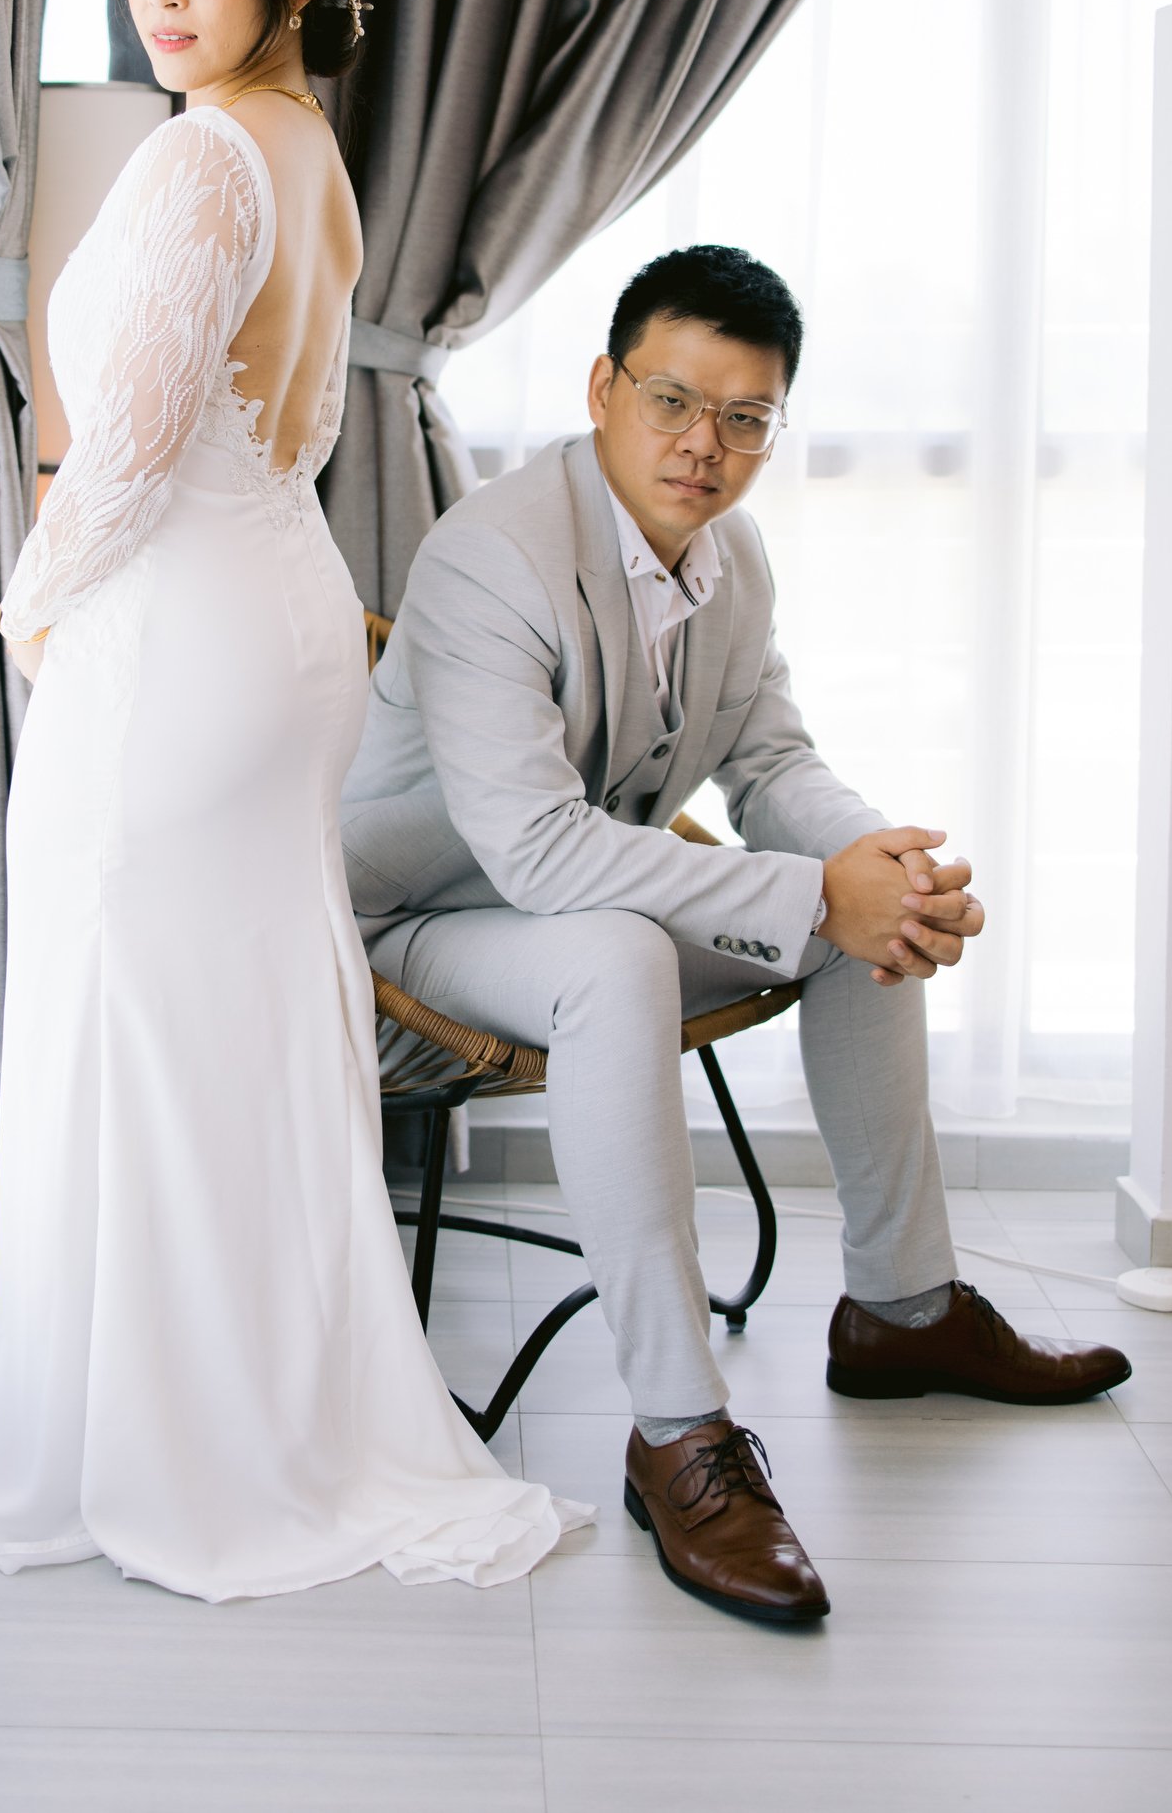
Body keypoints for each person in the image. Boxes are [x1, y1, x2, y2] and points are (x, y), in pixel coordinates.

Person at [0, 0, 588, 1600]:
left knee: (139, 1022)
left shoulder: (199, 163)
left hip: (179, 637)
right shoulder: (309, 153)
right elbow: (270, 430)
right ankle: (252, 1415)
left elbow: (132, 450)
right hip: (282, 610)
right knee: (230, 1030)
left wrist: (28, 607)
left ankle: (170, 1448)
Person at [342, 245, 1130, 1626]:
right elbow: (533, 849)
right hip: (420, 919)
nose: (703, 445)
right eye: (672, 400)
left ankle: (900, 1312)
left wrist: (882, 868)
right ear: (603, 389)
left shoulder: (734, 556)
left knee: (861, 922)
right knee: (624, 956)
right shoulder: (491, 556)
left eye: (745, 417)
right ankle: (677, 1434)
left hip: (583, 902)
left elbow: (771, 764)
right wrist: (816, 893)